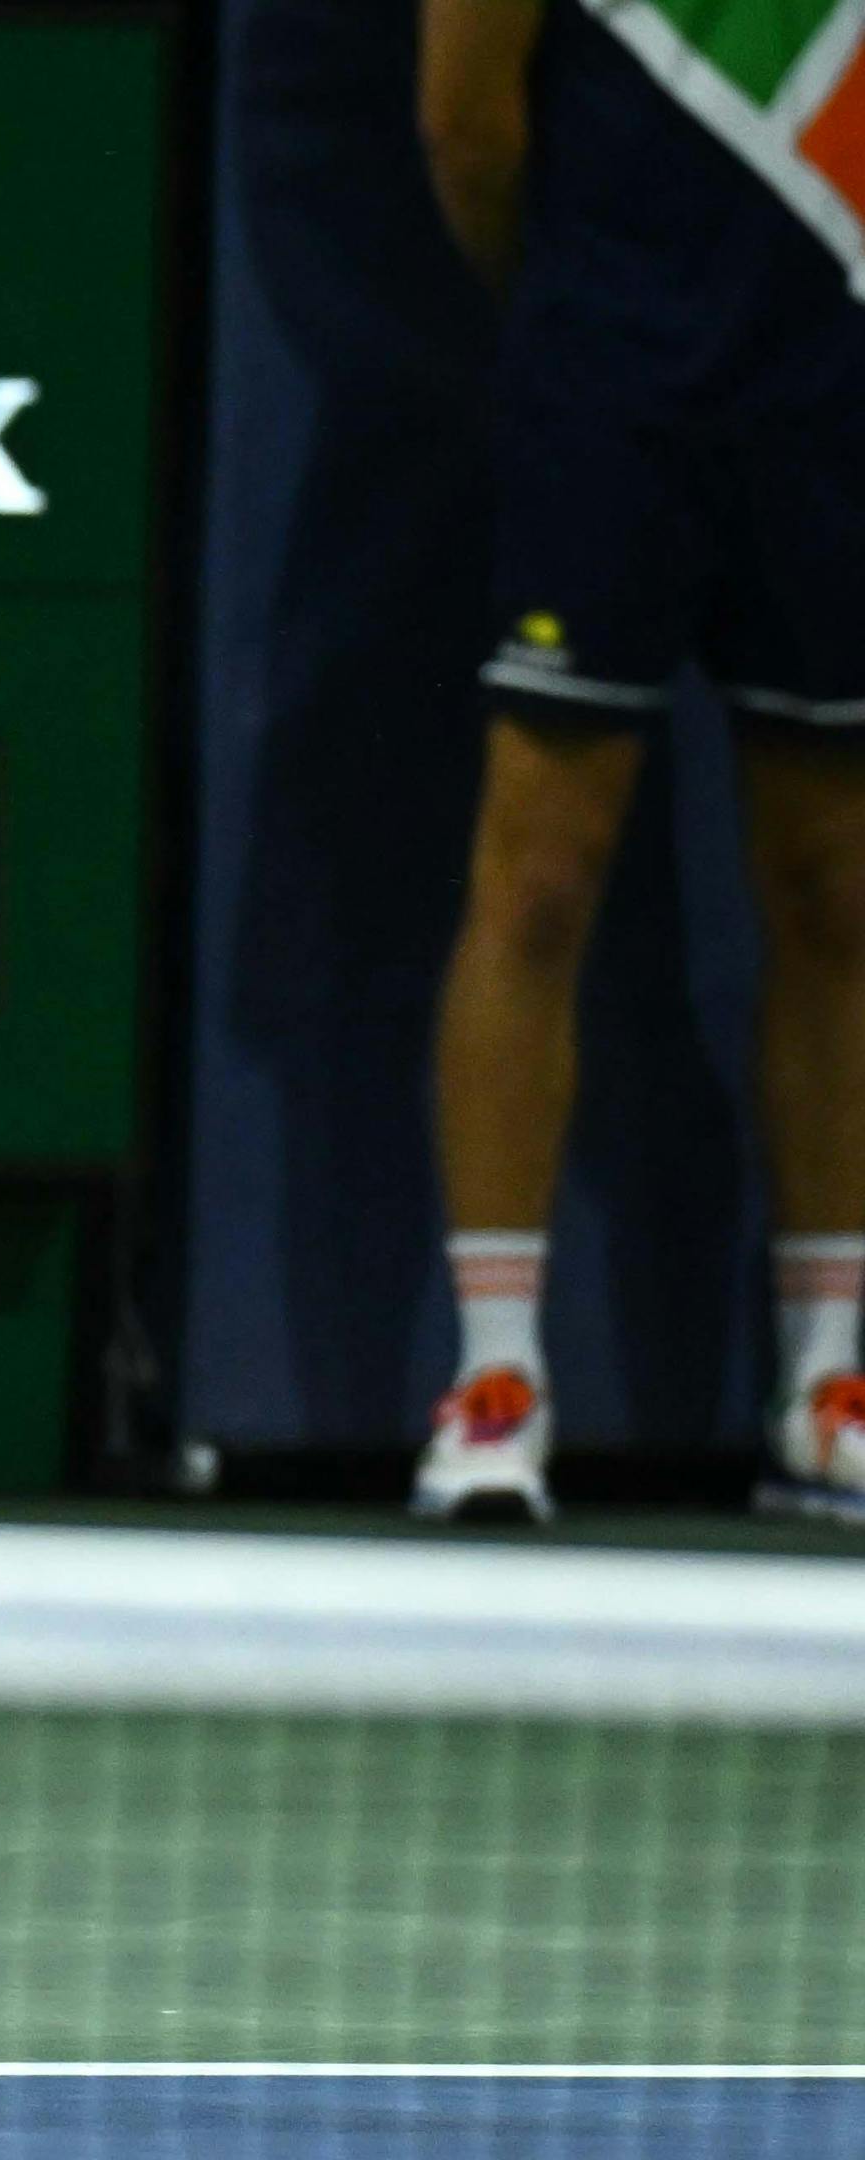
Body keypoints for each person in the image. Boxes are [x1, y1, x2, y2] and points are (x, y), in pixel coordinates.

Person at [412, 0, 865, 1522]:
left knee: (838, 889)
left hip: (837, 378)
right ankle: (494, 1385)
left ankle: (831, 1384)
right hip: (608, 387)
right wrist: (585, 327)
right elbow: (464, 120)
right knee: (538, 876)